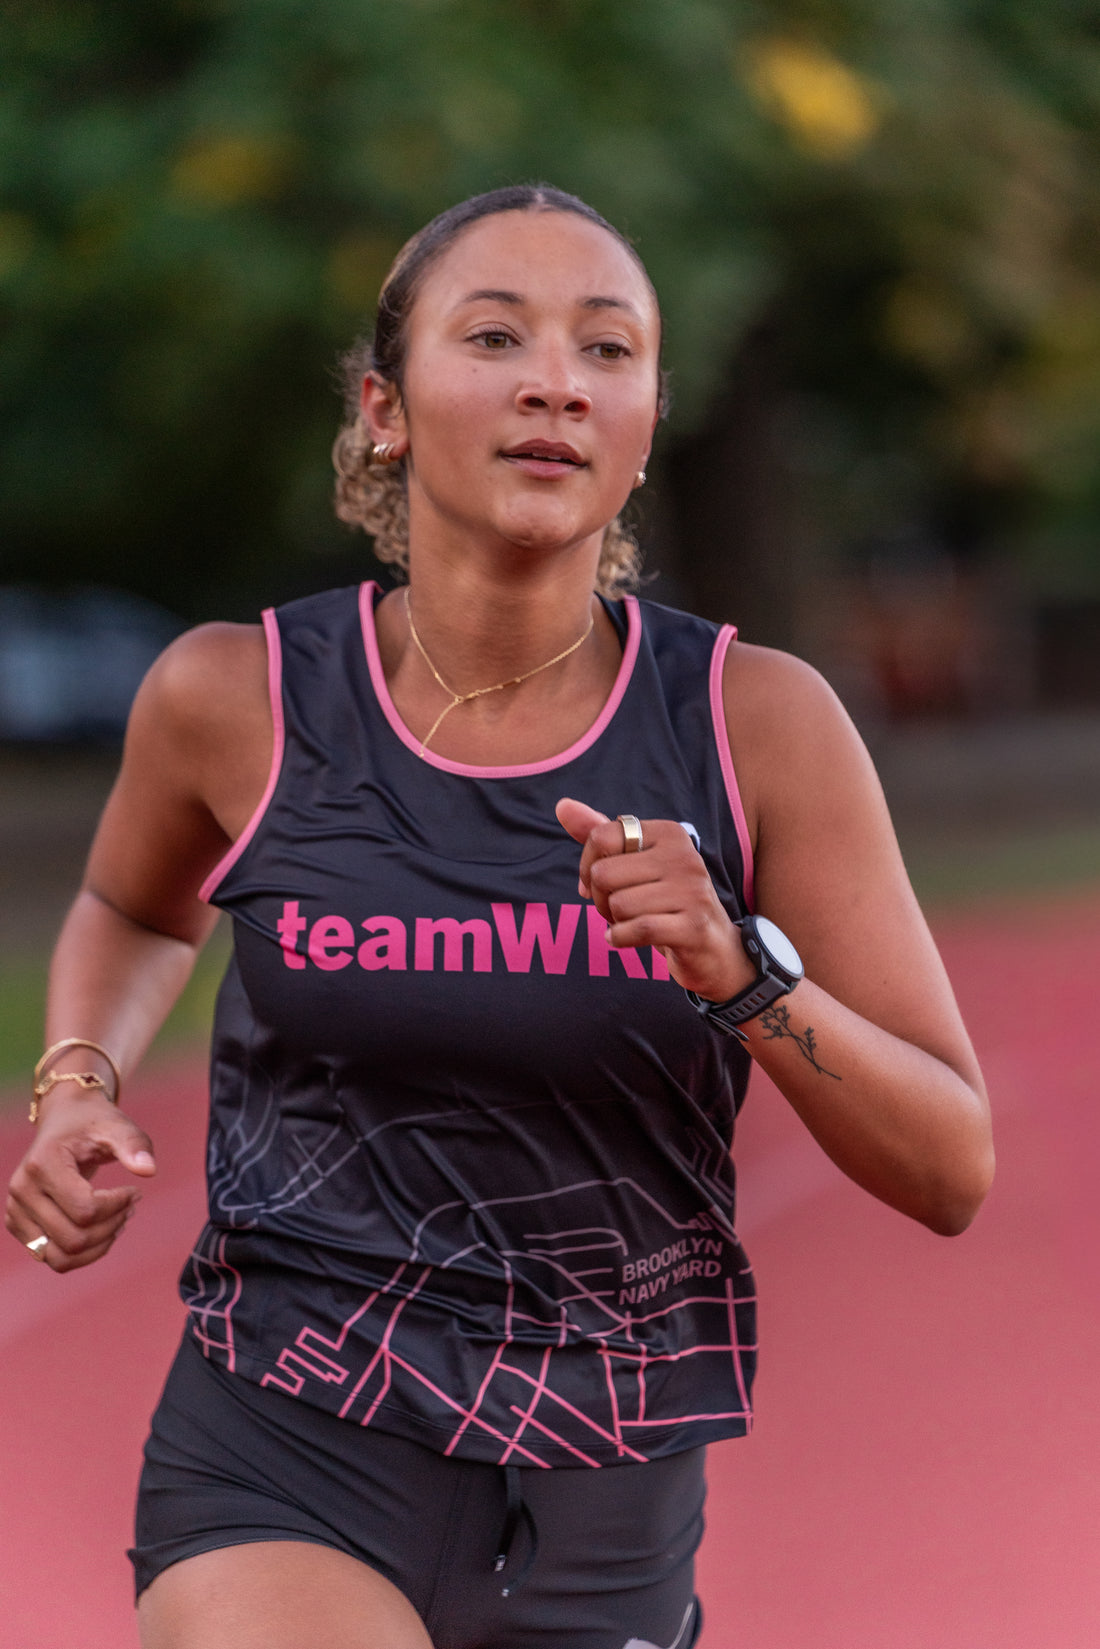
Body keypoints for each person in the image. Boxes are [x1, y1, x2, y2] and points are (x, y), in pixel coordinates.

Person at [5, 185, 993, 1649]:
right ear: (384, 409)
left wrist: (740, 972)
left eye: (609, 349)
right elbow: (132, 905)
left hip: (602, 1480)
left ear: (649, 419)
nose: (555, 380)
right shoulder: (240, 698)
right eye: (495, 336)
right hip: (287, 1429)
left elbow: (951, 1164)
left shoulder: (755, 726)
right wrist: (74, 1081)